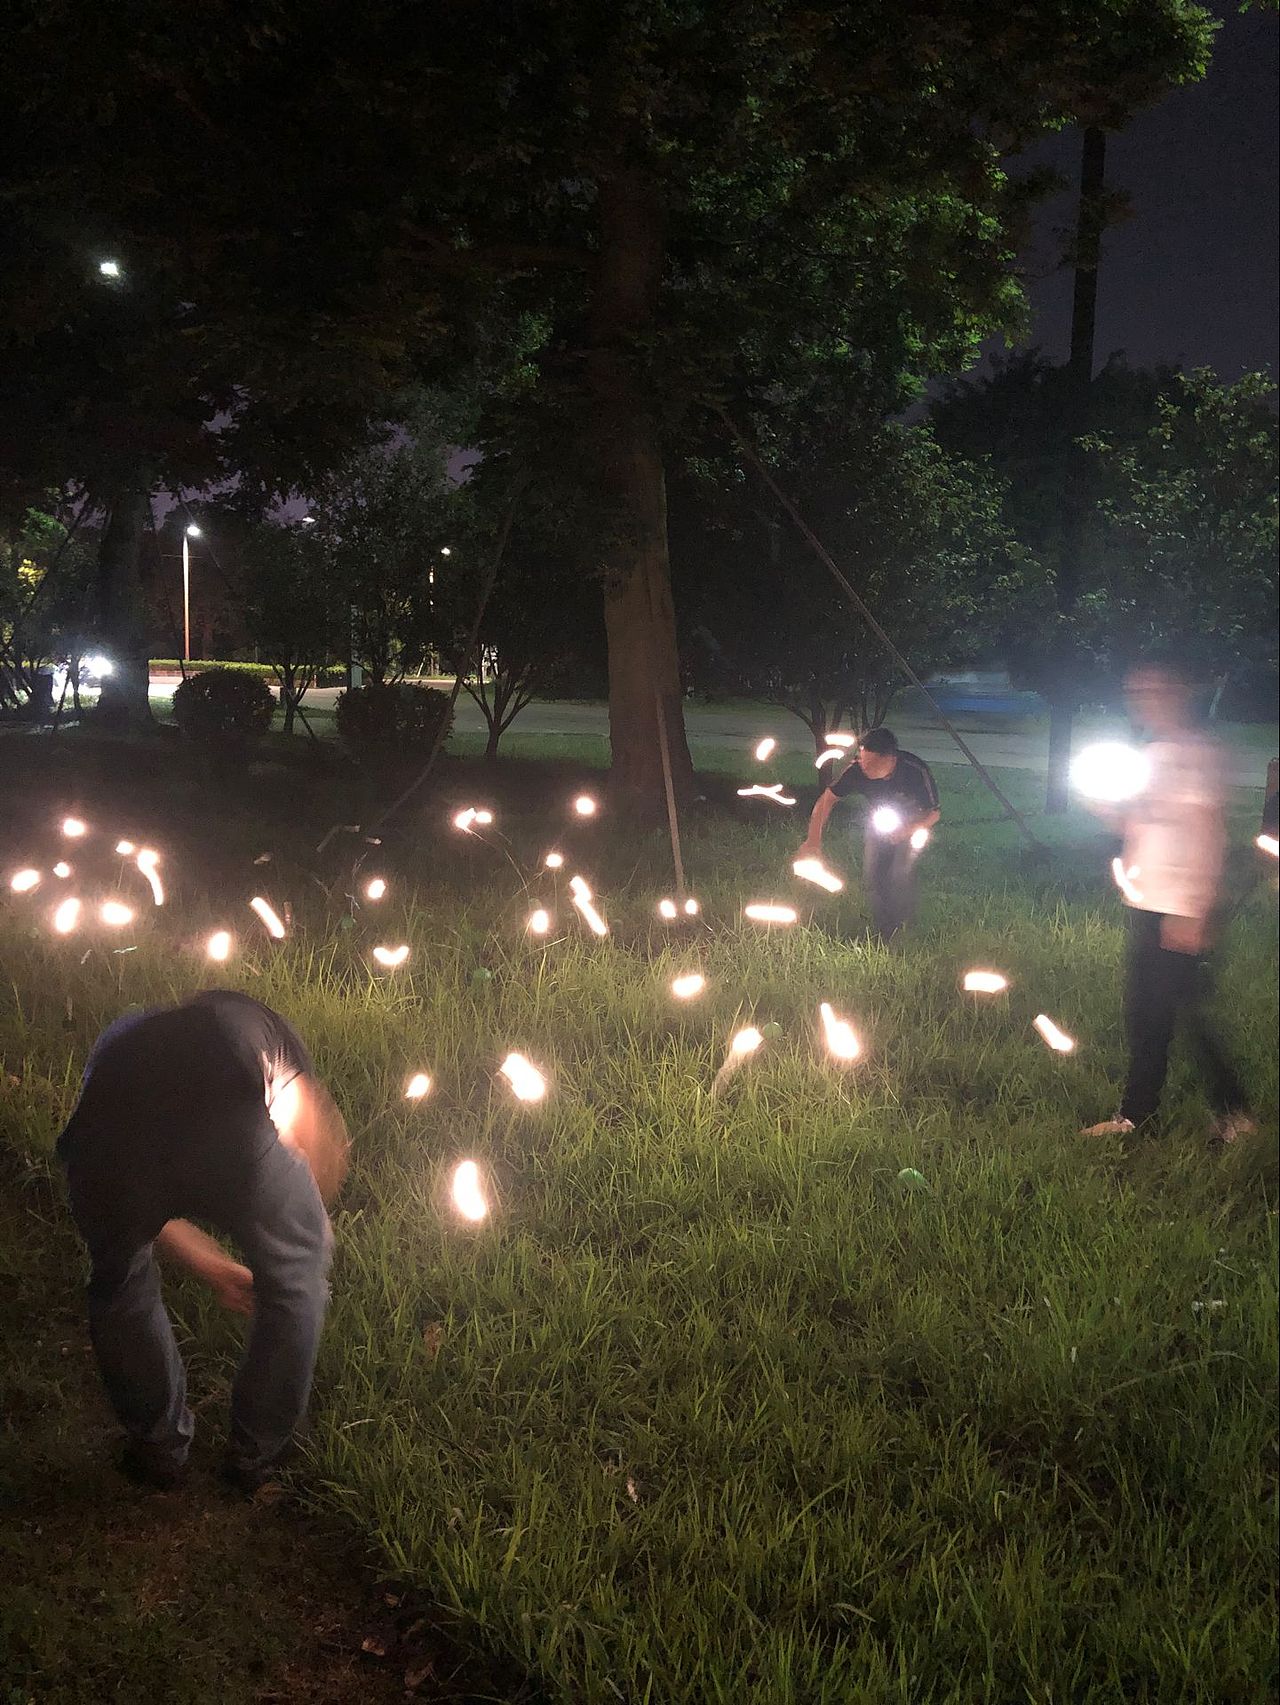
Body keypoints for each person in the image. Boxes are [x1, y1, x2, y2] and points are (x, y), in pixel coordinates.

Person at [56, 988, 349, 1491]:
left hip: (100, 1150)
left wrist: (210, 1264)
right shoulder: (264, 1032)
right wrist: (304, 1219)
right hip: (225, 1119)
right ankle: (256, 1459)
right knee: (297, 1268)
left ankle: (157, 1449)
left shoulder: (121, 1041)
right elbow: (309, 1137)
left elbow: (137, 1180)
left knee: (120, 1280)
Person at [1080, 658, 1255, 1147]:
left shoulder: (1192, 754)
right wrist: (1108, 810)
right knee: (1161, 1011)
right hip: (1149, 900)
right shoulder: (1154, 752)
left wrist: (1194, 908)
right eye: (1136, 691)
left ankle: (1161, 1116)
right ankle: (1212, 1113)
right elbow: (1142, 821)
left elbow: (1208, 829)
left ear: (1180, 693)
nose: (1144, 700)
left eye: (1155, 690)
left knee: (1164, 1014)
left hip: (1177, 908)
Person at [797, 727, 941, 940]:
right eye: (862, 759)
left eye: (871, 763)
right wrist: (813, 840)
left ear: (890, 758)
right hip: (880, 823)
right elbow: (826, 801)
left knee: (900, 873)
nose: (864, 767)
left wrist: (907, 831)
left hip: (913, 823)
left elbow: (934, 813)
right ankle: (884, 930)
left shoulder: (914, 770)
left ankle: (905, 926)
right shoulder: (857, 770)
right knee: (874, 874)